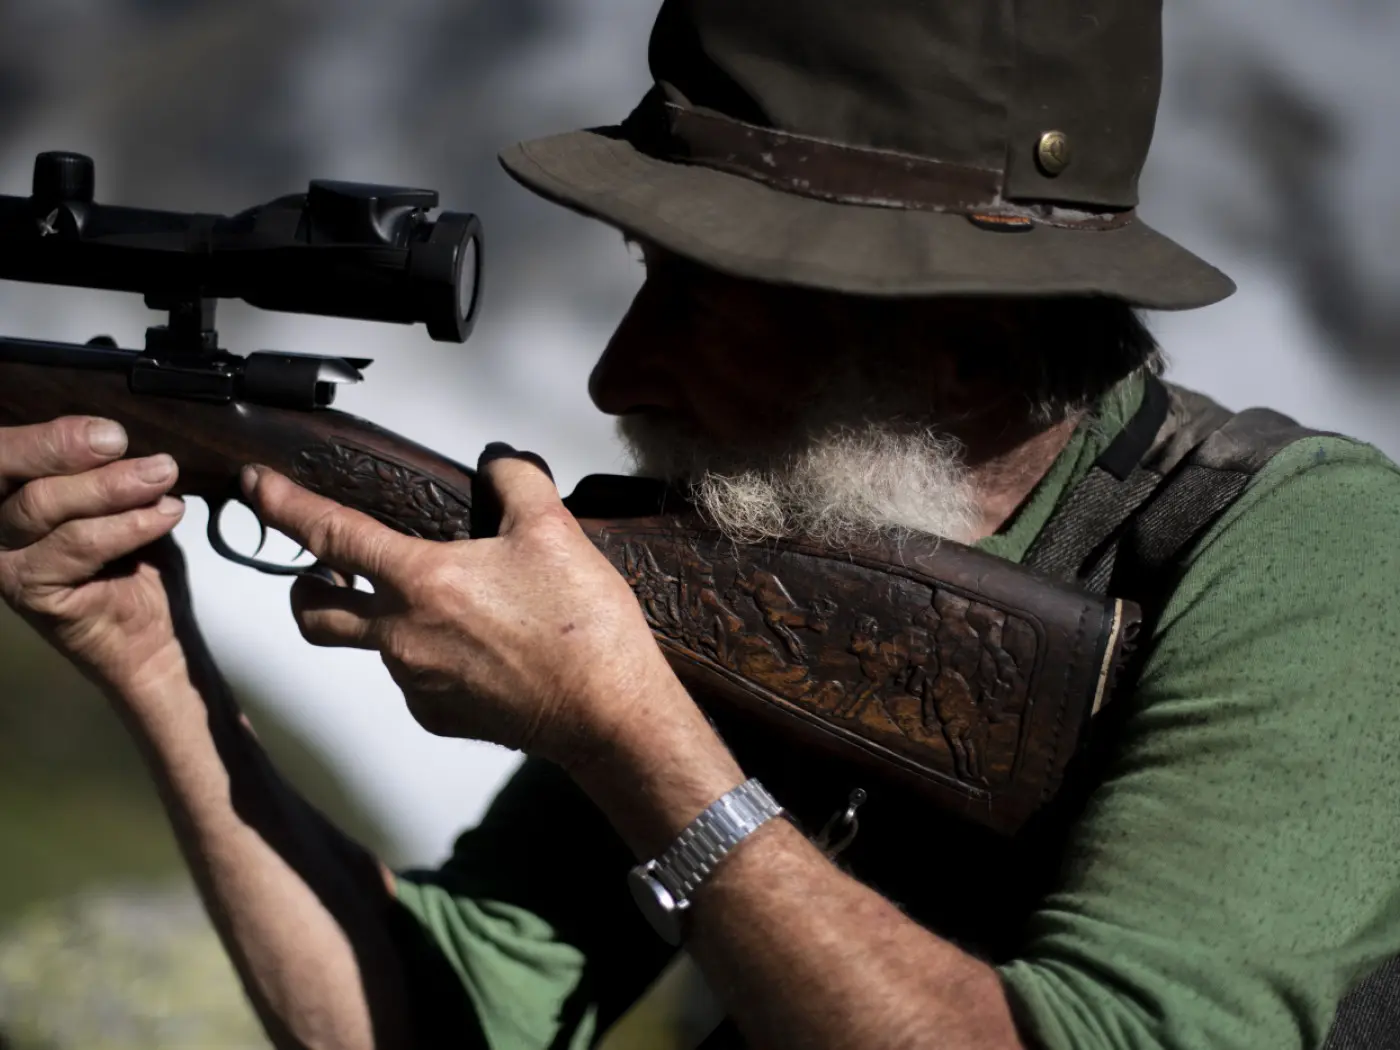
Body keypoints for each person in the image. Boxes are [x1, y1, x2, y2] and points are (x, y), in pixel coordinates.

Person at [2, 1, 1398, 1048]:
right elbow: (440, 1016)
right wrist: (153, 660)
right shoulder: (751, 553)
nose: (618, 373)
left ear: (962, 347)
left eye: (705, 297)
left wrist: (631, 734)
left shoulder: (1315, 563)